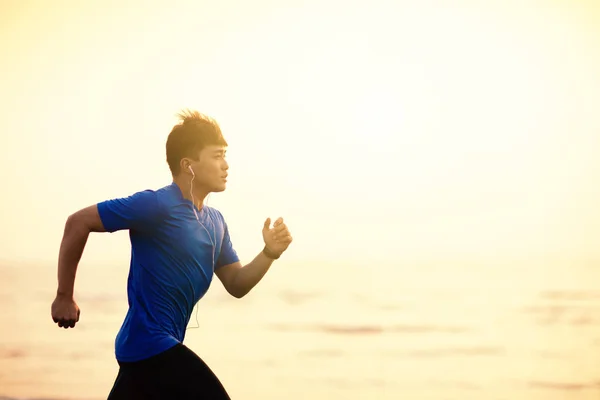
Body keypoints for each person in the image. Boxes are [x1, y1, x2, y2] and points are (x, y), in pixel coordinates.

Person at [50, 110, 293, 399]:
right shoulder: (157, 205)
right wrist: (65, 294)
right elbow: (78, 222)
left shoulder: (215, 222)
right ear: (188, 165)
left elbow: (237, 283)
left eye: (225, 155)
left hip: (143, 355)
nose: (226, 165)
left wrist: (269, 253)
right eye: (216, 156)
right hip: (150, 347)